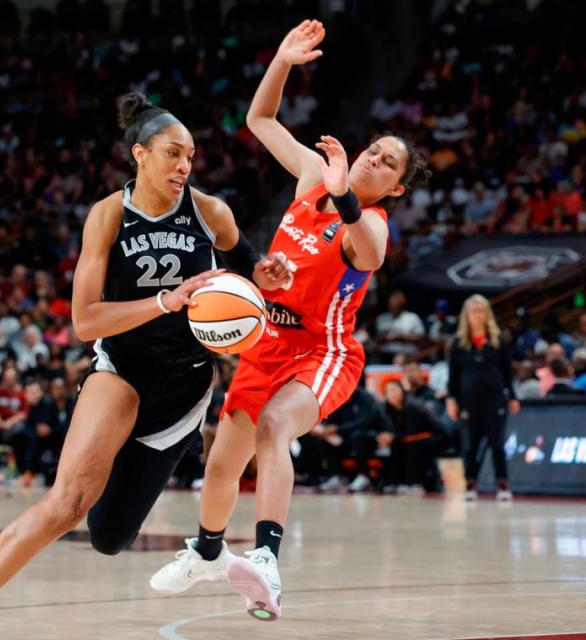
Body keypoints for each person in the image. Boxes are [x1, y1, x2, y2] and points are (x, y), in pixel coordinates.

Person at [0, 91, 292, 639]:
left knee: (110, 537)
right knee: (66, 502)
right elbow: (85, 321)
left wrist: (267, 273)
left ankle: (209, 554)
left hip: (185, 388)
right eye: (172, 153)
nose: (185, 165)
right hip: (123, 372)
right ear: (140, 154)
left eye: (191, 156)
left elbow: (248, 261)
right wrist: (167, 299)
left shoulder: (210, 212)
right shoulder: (109, 215)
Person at [150, 20, 430, 622]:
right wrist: (281, 61)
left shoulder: (372, 221)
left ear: (396, 187)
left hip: (323, 353)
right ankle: (205, 551)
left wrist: (347, 198)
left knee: (277, 427)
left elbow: (371, 252)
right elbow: (261, 121)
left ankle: (270, 560)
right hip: (266, 342)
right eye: (374, 151)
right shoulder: (310, 180)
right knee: (223, 461)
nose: (375, 161)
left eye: (387, 165)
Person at [446, 295, 520, 502]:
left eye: (481, 311)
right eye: (474, 311)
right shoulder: (459, 344)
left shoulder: (498, 341)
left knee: (497, 443)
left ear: (488, 314)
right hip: (469, 400)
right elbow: (453, 375)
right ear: (466, 316)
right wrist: (452, 399)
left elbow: (507, 372)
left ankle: (502, 483)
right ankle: (470, 483)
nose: (478, 316)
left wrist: (512, 396)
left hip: (495, 398)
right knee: (470, 444)